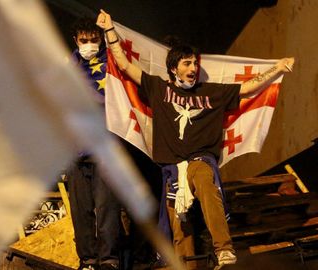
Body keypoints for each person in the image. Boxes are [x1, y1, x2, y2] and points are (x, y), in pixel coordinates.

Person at [96, 9, 294, 270]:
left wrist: (276, 68)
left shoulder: (211, 92)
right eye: (187, 64)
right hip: (171, 170)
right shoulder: (159, 88)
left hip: (199, 160)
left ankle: (224, 249)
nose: (193, 68)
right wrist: (109, 30)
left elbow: (247, 88)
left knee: (204, 180)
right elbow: (123, 64)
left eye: (194, 64)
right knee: (181, 229)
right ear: (173, 68)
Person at [67, 17, 122, 270]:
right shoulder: (67, 67)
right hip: (75, 149)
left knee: (107, 210)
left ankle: (109, 260)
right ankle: (88, 261)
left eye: (93, 40)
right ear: (75, 40)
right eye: (83, 40)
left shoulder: (113, 63)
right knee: (81, 212)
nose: (88, 44)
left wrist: (109, 30)